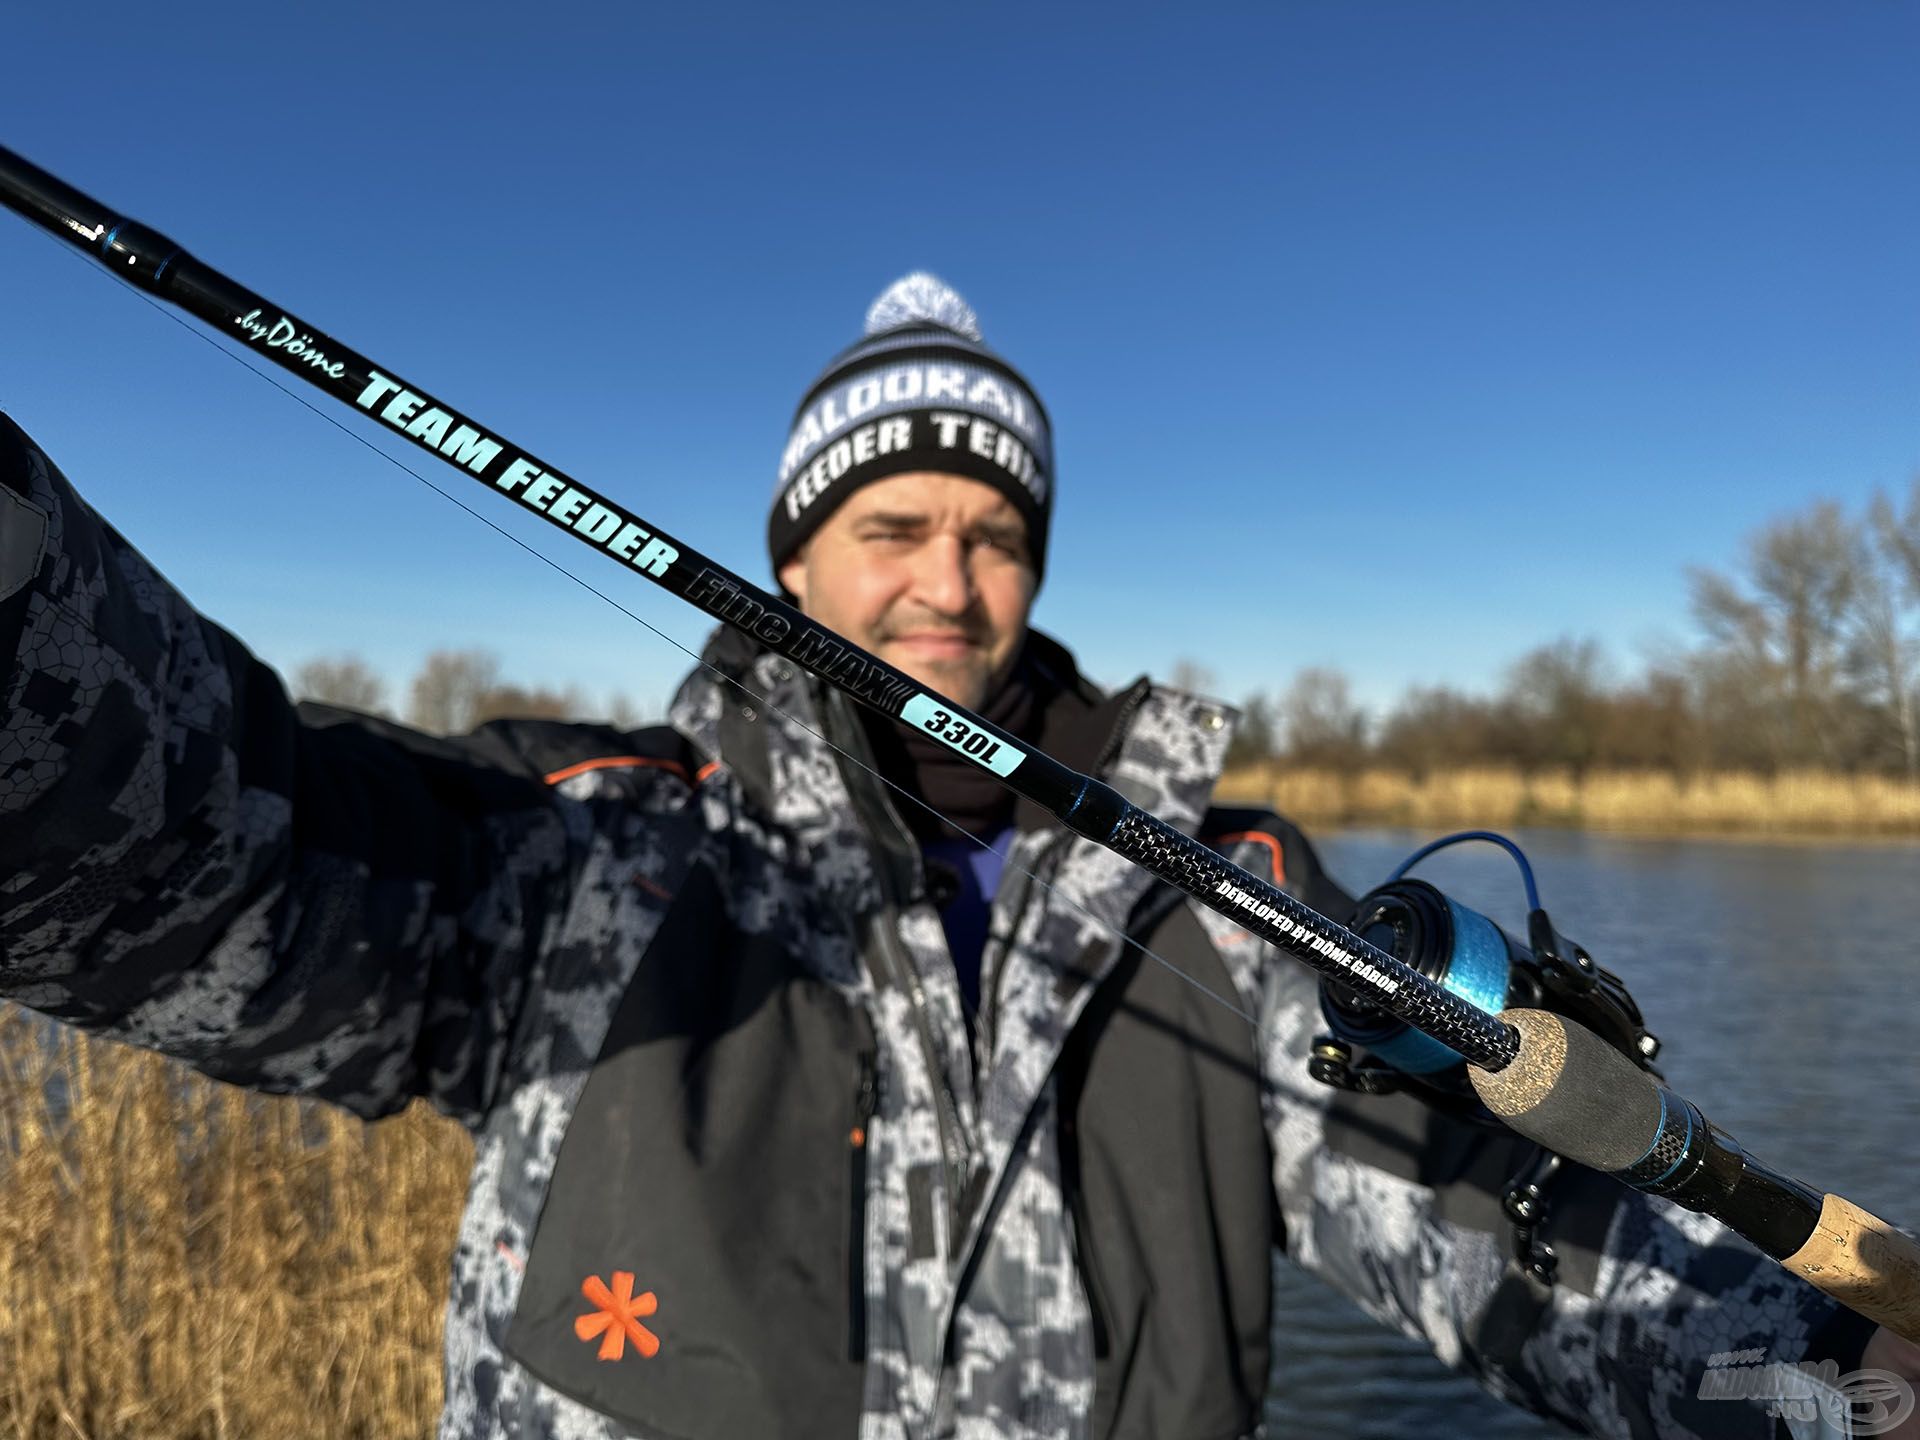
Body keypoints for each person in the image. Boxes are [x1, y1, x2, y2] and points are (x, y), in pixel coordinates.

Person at [0, 273, 1911, 1440]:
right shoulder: (588, 843)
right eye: (892, 522)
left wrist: (1839, 1387)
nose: (948, 577)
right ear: (795, 559)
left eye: (998, 531)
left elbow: (1502, 1219)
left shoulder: (1226, 893)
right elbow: (202, 854)